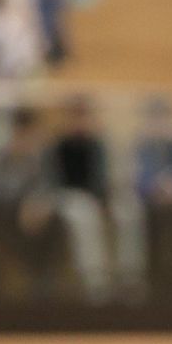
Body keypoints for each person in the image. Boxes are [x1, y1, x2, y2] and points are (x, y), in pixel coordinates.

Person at [0, 107, 67, 297]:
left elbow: (53, 185)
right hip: (9, 211)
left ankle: (44, 279)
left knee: (53, 219)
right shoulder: (3, 156)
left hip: (39, 209)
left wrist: (36, 202)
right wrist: (22, 203)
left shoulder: (45, 153)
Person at [49, 92, 112, 298]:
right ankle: (94, 283)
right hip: (65, 198)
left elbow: (101, 181)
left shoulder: (96, 144)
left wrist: (102, 199)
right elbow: (51, 181)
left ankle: (130, 279)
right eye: (74, 115)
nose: (78, 121)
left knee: (126, 212)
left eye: (82, 115)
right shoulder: (58, 145)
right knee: (83, 214)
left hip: (91, 198)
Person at [131, 97, 172, 298]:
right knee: (147, 217)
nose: (160, 124)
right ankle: (152, 278)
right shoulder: (142, 147)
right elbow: (137, 179)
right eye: (155, 119)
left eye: (164, 118)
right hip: (149, 201)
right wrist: (157, 188)